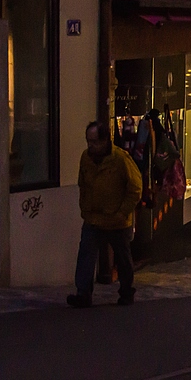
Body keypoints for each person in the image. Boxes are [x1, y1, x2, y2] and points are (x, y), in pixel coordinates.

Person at [68, 121, 143, 308]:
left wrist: (122, 212)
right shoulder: (86, 158)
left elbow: (135, 188)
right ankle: (83, 293)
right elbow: (83, 184)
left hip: (116, 219)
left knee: (123, 258)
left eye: (94, 141)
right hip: (93, 217)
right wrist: (84, 208)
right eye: (88, 141)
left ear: (105, 141)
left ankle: (127, 292)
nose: (90, 145)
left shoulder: (120, 159)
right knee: (86, 254)